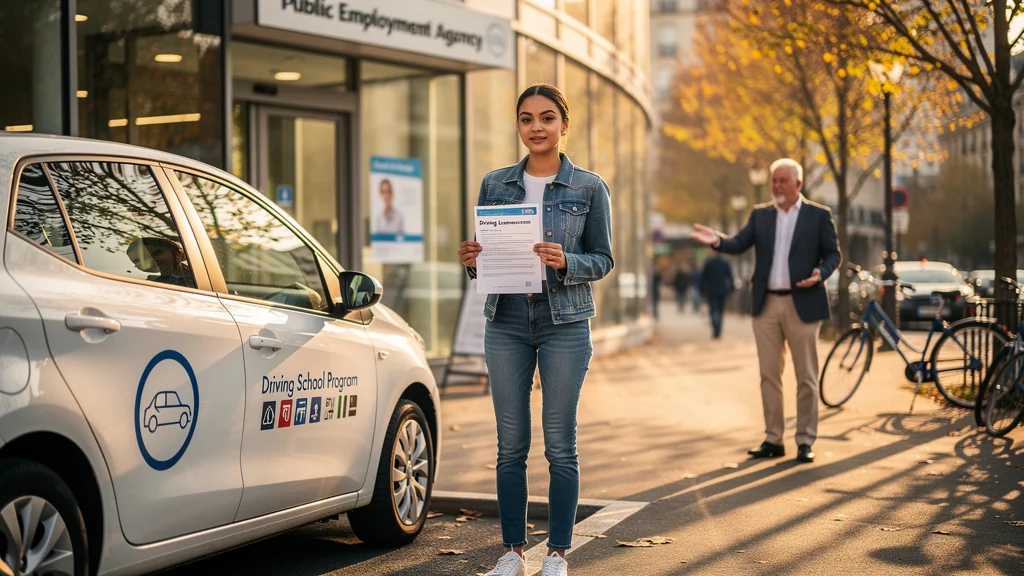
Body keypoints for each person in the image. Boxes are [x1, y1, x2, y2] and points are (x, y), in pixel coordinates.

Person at [458, 83, 613, 576]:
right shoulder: (495, 184)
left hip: (563, 322)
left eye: (547, 118)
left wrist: (568, 260)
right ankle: (511, 551)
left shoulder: (589, 187)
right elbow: (490, 260)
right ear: (518, 126)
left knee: (559, 442)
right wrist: (472, 261)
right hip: (505, 321)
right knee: (510, 443)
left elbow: (604, 259)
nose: (536, 128)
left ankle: (558, 553)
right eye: (527, 119)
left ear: (564, 125)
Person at [690, 158, 840, 464]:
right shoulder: (761, 215)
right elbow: (739, 243)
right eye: (774, 180)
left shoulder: (818, 215)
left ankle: (805, 440)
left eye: (783, 180)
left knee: (806, 376)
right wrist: (717, 240)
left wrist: (820, 273)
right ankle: (774, 438)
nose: (776, 186)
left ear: (798, 184)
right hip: (766, 305)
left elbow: (833, 254)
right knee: (769, 375)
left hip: (804, 302)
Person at [126, 236, 195, 288]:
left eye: (157, 253)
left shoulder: (197, 276)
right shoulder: (150, 286)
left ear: (175, 251)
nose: (153, 260)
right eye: (141, 260)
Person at [700, 254, 735, 338]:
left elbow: (704, 278)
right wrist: (731, 288)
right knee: (720, 310)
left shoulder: (709, 263)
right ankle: (718, 329)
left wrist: (703, 290)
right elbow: (729, 276)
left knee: (714, 310)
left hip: (711, 290)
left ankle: (716, 328)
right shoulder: (725, 263)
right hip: (722, 290)